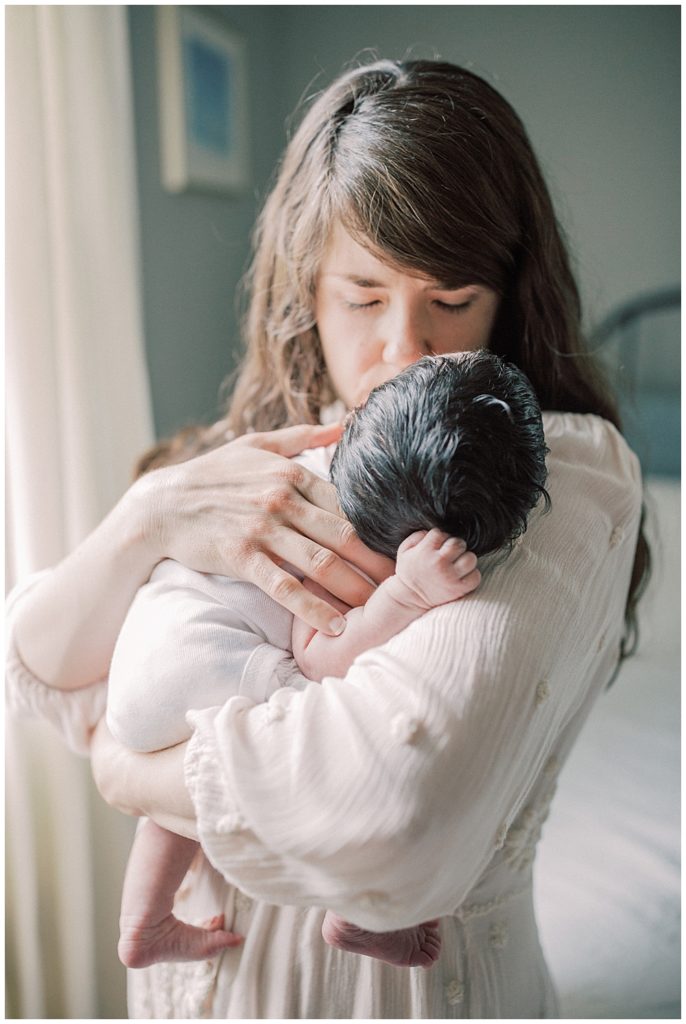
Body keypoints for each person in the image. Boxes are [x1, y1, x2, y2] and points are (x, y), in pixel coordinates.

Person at [6, 58, 647, 1018]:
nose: (405, 350)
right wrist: (151, 517)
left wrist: (123, 769)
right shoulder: (245, 469)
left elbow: (384, 812)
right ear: (307, 288)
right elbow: (46, 668)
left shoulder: (548, 471)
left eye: (454, 299)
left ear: (512, 296)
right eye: (363, 296)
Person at [108, 351, 548, 973]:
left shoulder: (302, 463)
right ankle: (359, 905)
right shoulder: (371, 553)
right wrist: (408, 594)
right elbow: (321, 656)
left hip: (142, 655)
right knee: (340, 736)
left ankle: (143, 923)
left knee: (183, 792)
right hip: (203, 652)